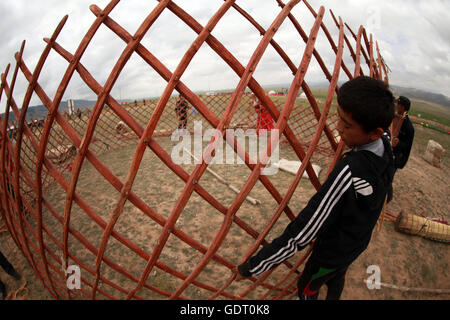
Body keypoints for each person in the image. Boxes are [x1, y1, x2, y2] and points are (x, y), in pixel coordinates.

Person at [234, 76, 395, 300]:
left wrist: (254, 266)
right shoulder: (386, 146)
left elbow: (305, 229)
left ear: (375, 132)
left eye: (347, 125)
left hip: (331, 253)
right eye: (339, 118)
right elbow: (388, 182)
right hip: (357, 243)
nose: (338, 128)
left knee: (308, 287)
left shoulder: (349, 171)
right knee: (338, 274)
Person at [391, 96, 414, 169]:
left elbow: (407, 146)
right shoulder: (393, 117)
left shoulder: (409, 127)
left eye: (398, 104)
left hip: (394, 157)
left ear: (402, 107)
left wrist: (398, 143)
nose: (396, 105)